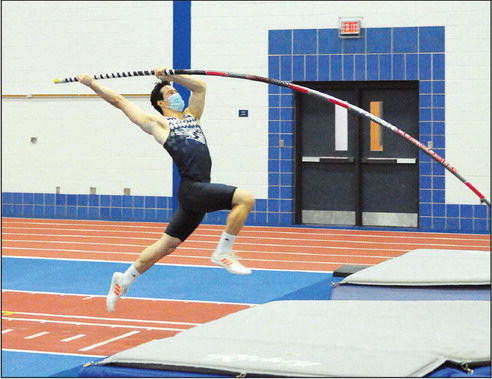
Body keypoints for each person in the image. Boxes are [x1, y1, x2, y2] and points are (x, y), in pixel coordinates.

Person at [77, 67, 255, 313]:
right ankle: (223, 252)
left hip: (196, 193)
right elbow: (119, 101)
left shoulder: (192, 117)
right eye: (170, 92)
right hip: (192, 189)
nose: (175, 93)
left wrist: (170, 77)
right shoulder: (158, 123)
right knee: (244, 198)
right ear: (161, 102)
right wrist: (92, 84)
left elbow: (200, 87)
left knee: (166, 246)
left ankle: (124, 279)